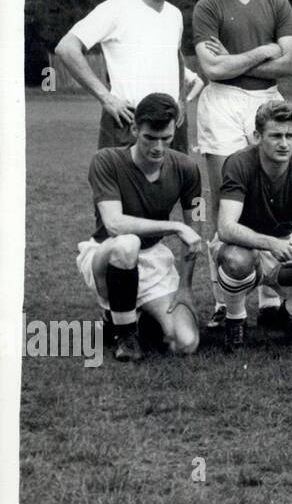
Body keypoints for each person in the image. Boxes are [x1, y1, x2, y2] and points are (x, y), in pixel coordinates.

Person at [192, 0, 292, 326]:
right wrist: (262, 50)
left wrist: (239, 59)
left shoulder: (276, 1)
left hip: (267, 100)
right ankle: (225, 302)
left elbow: (290, 62)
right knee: (225, 199)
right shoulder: (207, 6)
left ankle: (272, 298)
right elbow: (214, 68)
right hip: (221, 101)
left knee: (274, 194)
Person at [76, 93, 204, 361]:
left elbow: (197, 230)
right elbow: (114, 224)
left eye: (166, 138)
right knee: (127, 244)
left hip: (153, 260)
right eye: (149, 138)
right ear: (134, 129)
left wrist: (186, 288)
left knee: (185, 343)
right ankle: (125, 334)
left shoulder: (188, 168)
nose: (158, 147)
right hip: (106, 253)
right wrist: (174, 227)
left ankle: (133, 316)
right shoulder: (106, 160)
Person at [212, 100, 292, 350]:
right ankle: (235, 318)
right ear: (257, 136)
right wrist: (271, 243)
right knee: (237, 259)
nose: (284, 143)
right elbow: (226, 227)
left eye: (289, 135)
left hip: (286, 241)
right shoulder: (239, 162)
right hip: (245, 245)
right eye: (275, 136)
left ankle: (291, 312)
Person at [57, 0, 192, 152]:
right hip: (129, 121)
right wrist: (105, 98)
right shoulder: (116, 8)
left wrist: (182, 100)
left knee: (176, 184)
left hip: (171, 125)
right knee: (121, 185)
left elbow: (177, 58)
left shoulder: (174, 14)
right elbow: (66, 48)